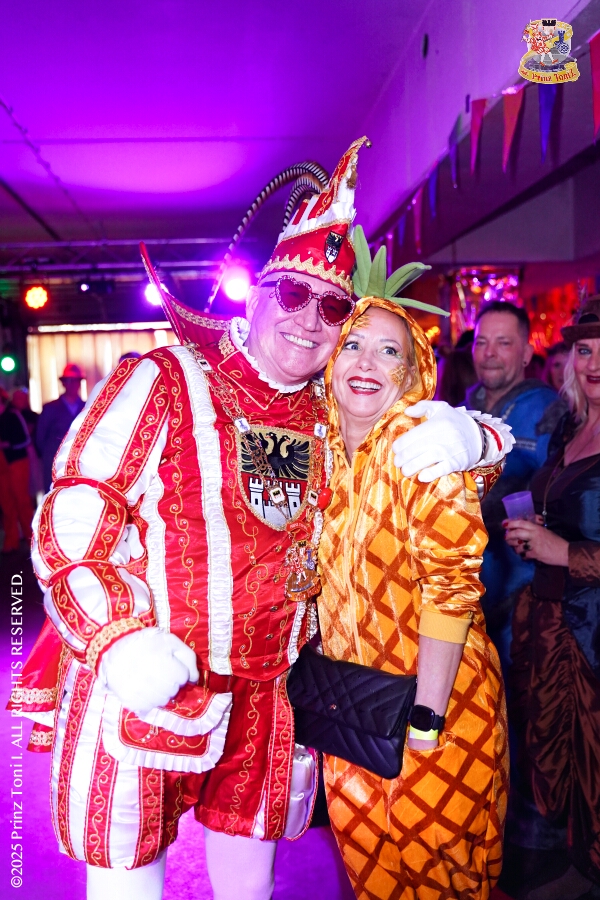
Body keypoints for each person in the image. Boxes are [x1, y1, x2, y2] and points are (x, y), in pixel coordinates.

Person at [12, 140, 510, 900]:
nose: (310, 321)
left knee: (250, 884)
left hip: (272, 697)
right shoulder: (165, 378)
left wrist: (473, 435)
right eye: (293, 295)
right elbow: (78, 509)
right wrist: (118, 638)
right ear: (255, 296)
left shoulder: (327, 413)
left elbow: (411, 459)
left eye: (333, 308)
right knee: (126, 881)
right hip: (151, 683)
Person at [318, 254, 508, 899]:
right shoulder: (318, 453)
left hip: (439, 713)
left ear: (412, 372)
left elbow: (450, 585)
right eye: (353, 345)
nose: (366, 363)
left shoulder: (420, 445)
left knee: (440, 878)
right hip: (352, 715)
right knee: (372, 877)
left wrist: (426, 719)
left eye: (389, 351)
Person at [507, 296, 600, 898]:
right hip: (553, 625)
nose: (595, 364)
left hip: (595, 633)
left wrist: (563, 552)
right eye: (585, 350)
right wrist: (536, 534)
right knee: (562, 761)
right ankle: (581, 865)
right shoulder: (571, 425)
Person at [466, 301, 566, 671]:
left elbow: (568, 502)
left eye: (503, 343)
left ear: (526, 354)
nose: (489, 353)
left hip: (524, 597)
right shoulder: (463, 411)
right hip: (467, 588)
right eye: (481, 342)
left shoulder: (548, 412)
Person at [36, 363, 85, 492]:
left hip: (81, 463)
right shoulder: (50, 408)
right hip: (55, 462)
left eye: (75, 381)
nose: (72, 385)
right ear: (63, 383)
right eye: (69, 381)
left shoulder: (86, 407)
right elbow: (40, 438)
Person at [0, 388, 33, 552]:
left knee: (22, 502)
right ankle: (11, 541)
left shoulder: (13, 416)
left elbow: (26, 440)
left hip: (17, 463)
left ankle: (31, 539)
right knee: (6, 504)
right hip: (3, 466)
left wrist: (9, 445)